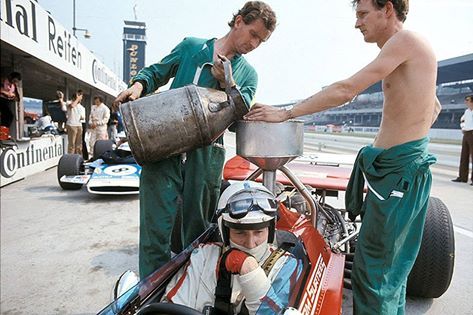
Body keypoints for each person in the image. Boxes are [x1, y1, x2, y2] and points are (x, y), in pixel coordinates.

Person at [244, 0, 441, 314]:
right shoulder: (414, 48)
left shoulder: (404, 41)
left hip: (397, 176)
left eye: (363, 14)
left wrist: (286, 113)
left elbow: (347, 90)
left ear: (387, 9)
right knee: (391, 273)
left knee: (374, 273)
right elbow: (434, 107)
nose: (357, 23)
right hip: (399, 170)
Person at [113, 1, 277, 279]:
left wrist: (227, 83)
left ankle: (190, 289)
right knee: (155, 230)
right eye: (253, 34)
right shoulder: (192, 47)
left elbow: (241, 111)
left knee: (197, 234)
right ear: (238, 21)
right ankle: (150, 294)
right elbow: (156, 72)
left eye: (261, 41)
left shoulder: (248, 74)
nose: (254, 44)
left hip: (206, 158)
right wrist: (138, 85)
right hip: (163, 147)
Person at [162, 181, 300, 314]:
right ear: (225, 231)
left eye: (259, 232)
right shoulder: (204, 256)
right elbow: (169, 308)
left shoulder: (285, 266)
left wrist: (250, 270)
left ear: (270, 231)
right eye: (240, 233)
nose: (250, 243)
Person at [452, 94, 473, 185]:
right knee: (464, 156)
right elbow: (462, 120)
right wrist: (463, 128)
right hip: (466, 133)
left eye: (467, 100)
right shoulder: (467, 111)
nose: (466, 102)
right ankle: (462, 177)